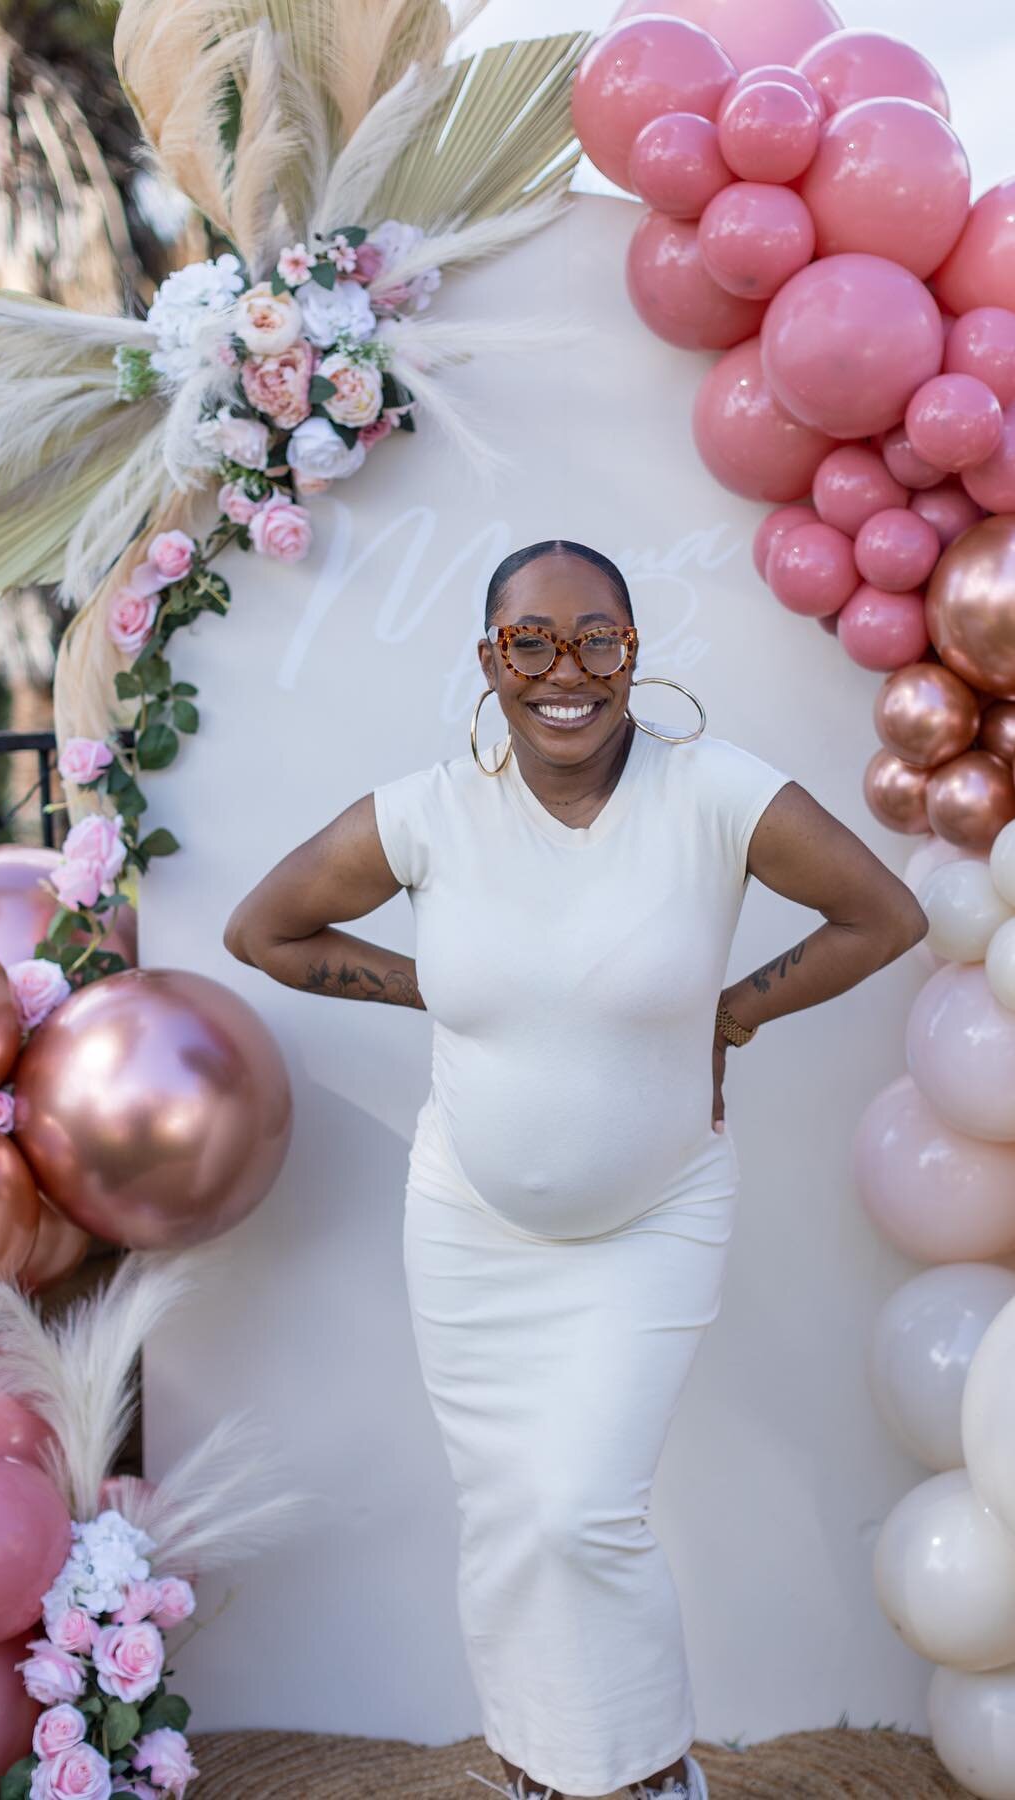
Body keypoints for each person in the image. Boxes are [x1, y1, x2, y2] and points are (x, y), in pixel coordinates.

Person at [223, 539, 928, 1800]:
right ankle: (539, 1768)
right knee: (506, 1520)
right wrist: (425, 984)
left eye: (597, 636)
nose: (567, 670)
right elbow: (263, 930)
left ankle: (653, 1775)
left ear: (634, 653)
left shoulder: (715, 792)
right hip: (467, 1223)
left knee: (580, 1511)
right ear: (491, 661)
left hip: (655, 1212)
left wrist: (731, 1012)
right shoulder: (431, 810)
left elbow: (883, 915)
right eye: (532, 642)